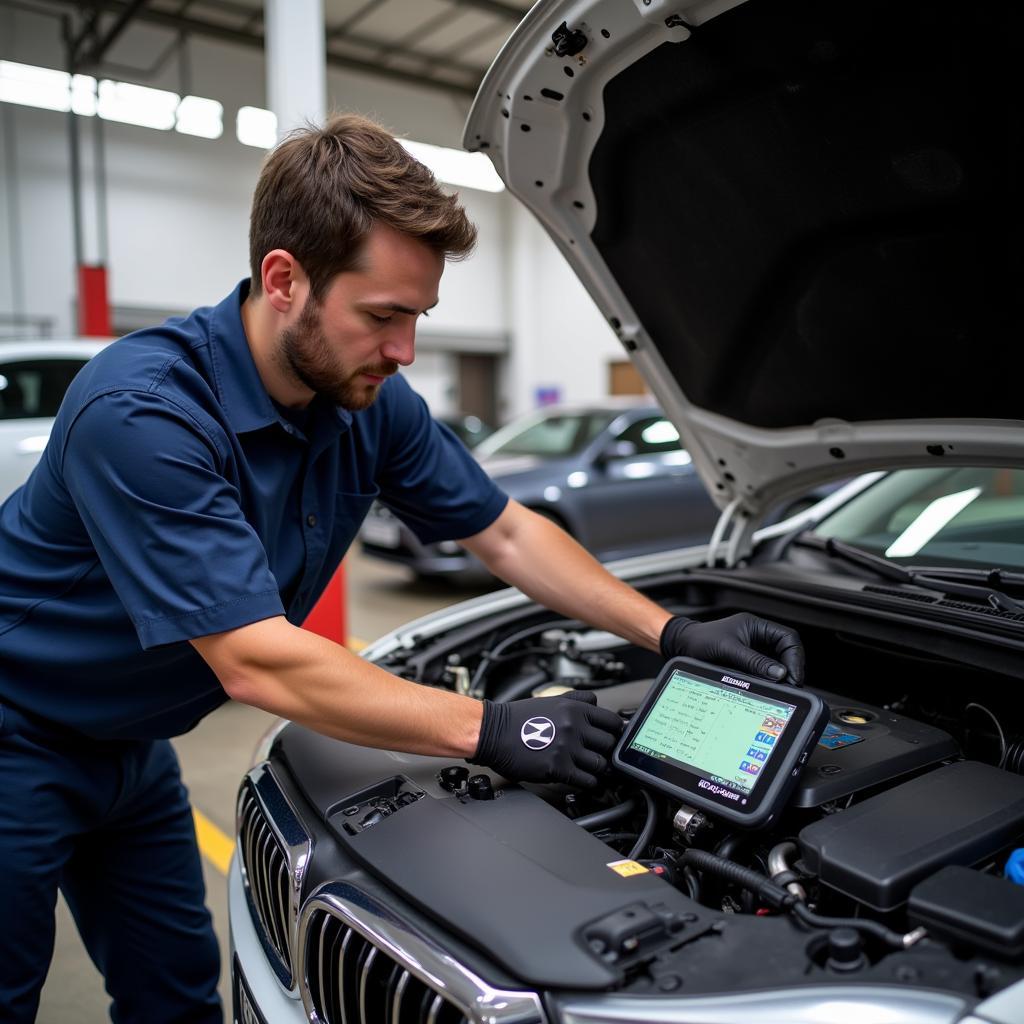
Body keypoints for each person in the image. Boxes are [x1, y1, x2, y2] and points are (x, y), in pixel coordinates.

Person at [0, 114, 803, 1023]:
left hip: (131, 745)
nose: (405, 351)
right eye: (382, 316)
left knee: (178, 991)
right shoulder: (144, 413)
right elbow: (255, 657)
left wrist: (670, 630)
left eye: (416, 318)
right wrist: (497, 727)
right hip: (14, 729)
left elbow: (505, 533)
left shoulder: (366, 400)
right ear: (283, 279)